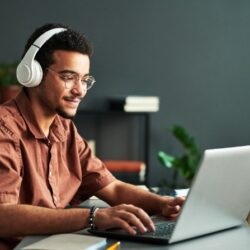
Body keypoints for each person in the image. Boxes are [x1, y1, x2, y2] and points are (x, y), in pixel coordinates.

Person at [0, 23, 184, 250]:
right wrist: (92, 217)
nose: (80, 90)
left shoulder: (65, 129)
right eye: (68, 77)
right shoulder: (4, 130)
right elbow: (3, 216)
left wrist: (163, 204)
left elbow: (112, 188)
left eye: (85, 79)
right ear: (33, 74)